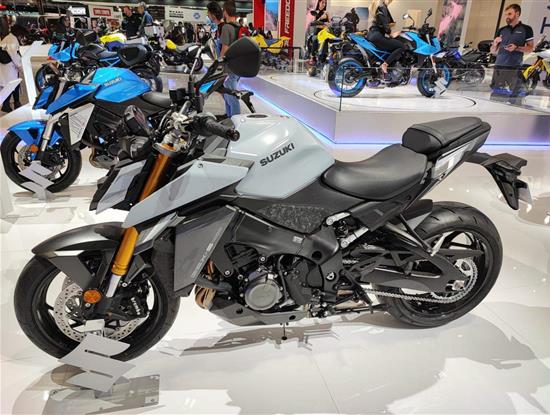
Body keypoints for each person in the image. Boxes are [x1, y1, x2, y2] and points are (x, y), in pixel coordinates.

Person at [490, 3, 534, 102]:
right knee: (496, 97)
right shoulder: (501, 30)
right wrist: (495, 43)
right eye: (506, 14)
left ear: (517, 14)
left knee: (515, 98)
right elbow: (493, 51)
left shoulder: (526, 29)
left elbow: (530, 48)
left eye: (510, 14)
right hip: (499, 67)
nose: (507, 17)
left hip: (515, 67)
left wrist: (516, 48)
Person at [367, 0, 404, 76]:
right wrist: (391, 34)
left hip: (372, 34)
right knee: (402, 46)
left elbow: (381, 22)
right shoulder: (382, 7)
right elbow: (385, 23)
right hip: (377, 36)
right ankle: (385, 64)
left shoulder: (377, 6)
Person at [220, 0, 241, 117]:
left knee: (232, 95)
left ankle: (235, 121)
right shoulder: (239, 27)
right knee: (228, 93)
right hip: (239, 65)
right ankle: (229, 117)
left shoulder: (226, 27)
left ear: (226, 12)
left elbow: (225, 48)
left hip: (229, 66)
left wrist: (219, 63)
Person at [0, 24, 26, 113]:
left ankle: (15, 103)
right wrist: (20, 66)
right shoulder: (12, 40)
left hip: (8, 66)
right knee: (11, 85)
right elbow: (14, 55)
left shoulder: (10, 38)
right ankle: (7, 105)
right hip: (7, 66)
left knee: (13, 85)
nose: (22, 37)